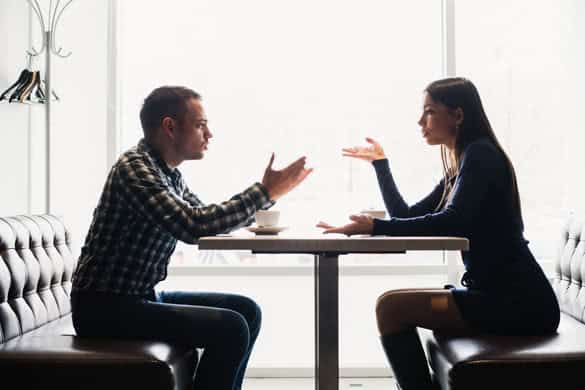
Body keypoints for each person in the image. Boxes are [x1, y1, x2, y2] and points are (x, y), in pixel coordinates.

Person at [317, 77, 560, 390]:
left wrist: (376, 227)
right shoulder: (461, 164)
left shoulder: (480, 155)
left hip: (520, 304)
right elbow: (406, 215)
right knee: (391, 307)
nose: (421, 121)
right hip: (499, 297)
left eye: (429, 111)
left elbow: (451, 221)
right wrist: (381, 164)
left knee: (391, 308)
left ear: (458, 115)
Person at [71, 86, 313, 390]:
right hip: (105, 309)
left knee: (247, 311)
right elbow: (192, 225)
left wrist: (267, 197)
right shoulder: (135, 169)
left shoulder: (168, 174)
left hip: (140, 297)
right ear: (170, 127)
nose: (209, 134)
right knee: (232, 328)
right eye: (200, 125)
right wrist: (264, 193)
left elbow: (206, 218)